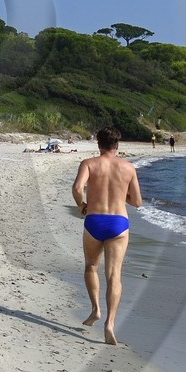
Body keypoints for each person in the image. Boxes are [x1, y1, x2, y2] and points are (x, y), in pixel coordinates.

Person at [72, 125, 143, 346]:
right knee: (114, 275)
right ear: (117, 145)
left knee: (91, 267)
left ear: (98, 143)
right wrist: (122, 197)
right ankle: (110, 324)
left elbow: (77, 187)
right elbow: (138, 202)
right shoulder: (128, 167)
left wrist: (81, 205)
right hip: (118, 224)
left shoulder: (89, 164)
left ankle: (95, 310)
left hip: (94, 220)